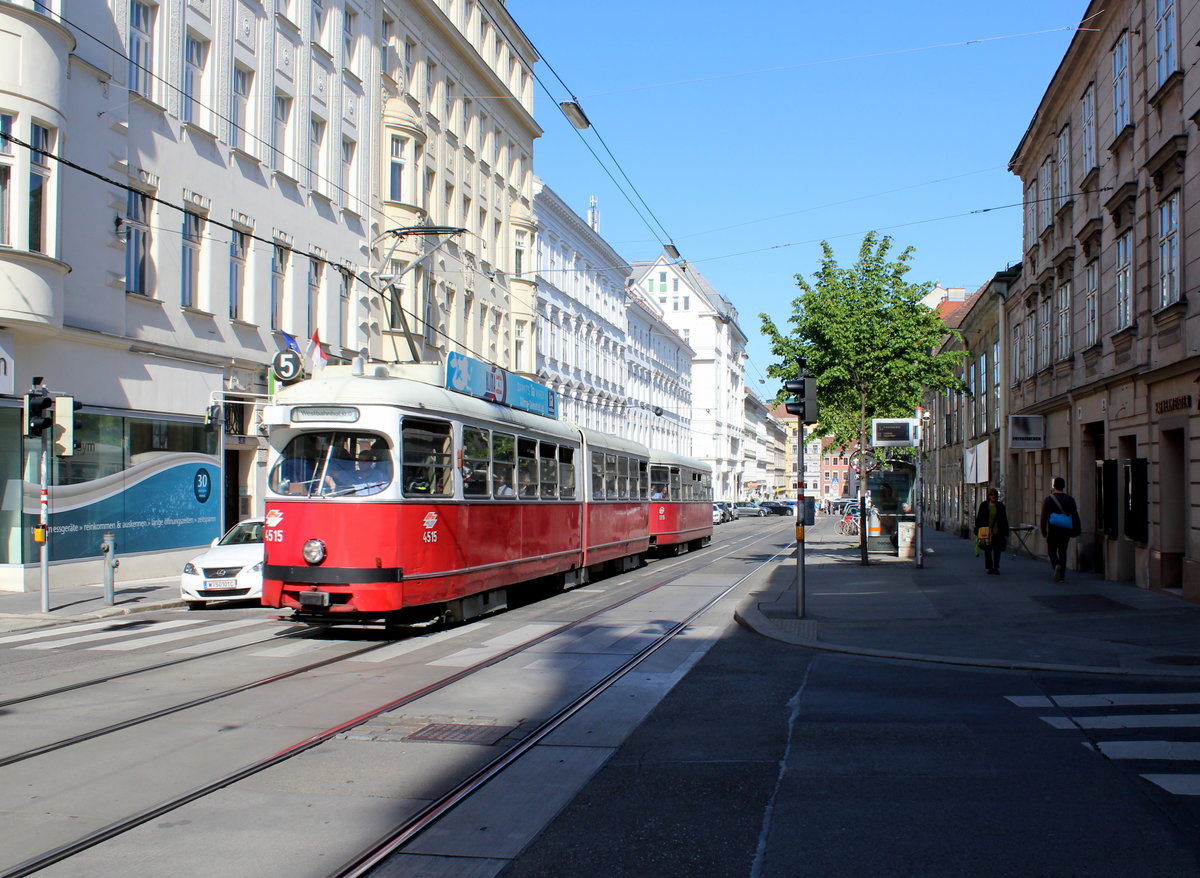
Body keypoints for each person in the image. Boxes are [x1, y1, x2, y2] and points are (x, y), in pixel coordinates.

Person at [1040, 476, 1081, 582]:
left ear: (1054, 486)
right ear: (1064, 486)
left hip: (1053, 530)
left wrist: (1044, 531)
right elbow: (1075, 515)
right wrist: (1076, 529)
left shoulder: (1048, 500)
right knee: (1063, 552)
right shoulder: (1070, 499)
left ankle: (1056, 565)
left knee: (1051, 551)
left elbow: (1044, 517)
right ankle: (1061, 576)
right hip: (1065, 530)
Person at [974, 487, 1010, 575]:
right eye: (991, 495)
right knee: (987, 550)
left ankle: (996, 567)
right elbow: (979, 518)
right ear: (989, 496)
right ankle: (990, 567)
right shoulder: (984, 505)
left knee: (997, 550)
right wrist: (978, 528)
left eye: (994, 495)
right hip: (986, 531)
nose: (993, 496)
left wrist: (1006, 532)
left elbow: (1004, 519)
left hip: (998, 531)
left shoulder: (1000, 506)